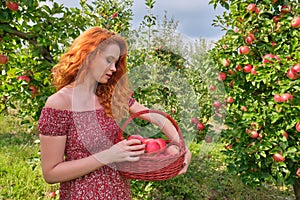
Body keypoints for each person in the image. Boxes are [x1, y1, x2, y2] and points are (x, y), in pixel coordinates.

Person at [38, 26, 191, 199]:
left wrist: (182, 147)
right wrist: (108, 155)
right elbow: (51, 173)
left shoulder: (110, 95)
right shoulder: (60, 103)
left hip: (118, 193)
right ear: (88, 55)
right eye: (108, 60)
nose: (113, 68)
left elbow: (156, 117)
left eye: (116, 63)